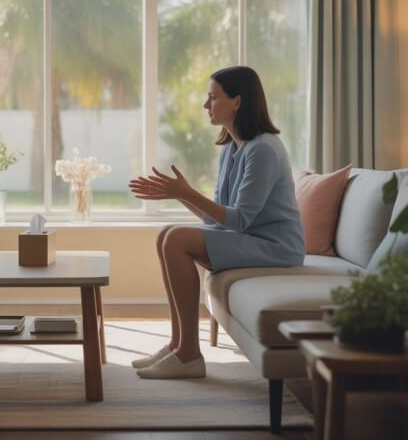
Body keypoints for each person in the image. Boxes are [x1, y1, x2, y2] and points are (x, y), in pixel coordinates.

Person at [127, 66, 304, 379]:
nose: (206, 105)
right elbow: (219, 216)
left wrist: (187, 192)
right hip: (251, 238)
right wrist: (177, 195)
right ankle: (177, 345)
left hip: (277, 248)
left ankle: (189, 356)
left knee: (177, 239)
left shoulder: (262, 149)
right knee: (166, 235)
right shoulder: (233, 149)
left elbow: (239, 219)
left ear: (237, 101)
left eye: (212, 98)